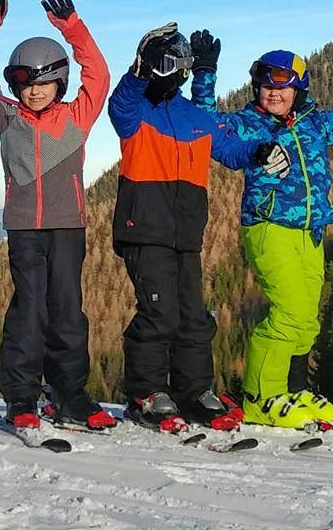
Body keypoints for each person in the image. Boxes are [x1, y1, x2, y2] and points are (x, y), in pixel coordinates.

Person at [207, 24, 333, 429]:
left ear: (298, 91)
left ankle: (291, 391)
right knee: (288, 312)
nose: (273, 94)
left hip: (311, 232)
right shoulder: (246, 124)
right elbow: (203, 126)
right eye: (266, 86)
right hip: (268, 227)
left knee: (306, 319)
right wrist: (206, 75)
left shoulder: (315, 125)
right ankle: (260, 398)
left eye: (283, 87)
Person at [108, 25, 288, 433]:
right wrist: (139, 69)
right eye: (166, 63)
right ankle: (146, 393)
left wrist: (258, 151)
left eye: (180, 63)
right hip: (144, 229)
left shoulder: (196, 116)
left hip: (186, 234)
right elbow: (119, 104)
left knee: (192, 315)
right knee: (158, 314)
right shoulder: (136, 113)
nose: (174, 71)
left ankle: (194, 391)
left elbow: (229, 149)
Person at [0, 0, 116, 435]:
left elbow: (100, 75)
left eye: (44, 83)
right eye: (27, 83)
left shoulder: (77, 116)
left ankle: (70, 394)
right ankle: (21, 398)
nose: (35, 91)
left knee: (68, 312)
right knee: (29, 312)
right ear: (16, 87)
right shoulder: (7, 118)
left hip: (68, 227)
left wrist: (72, 27)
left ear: (60, 83)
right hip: (24, 232)